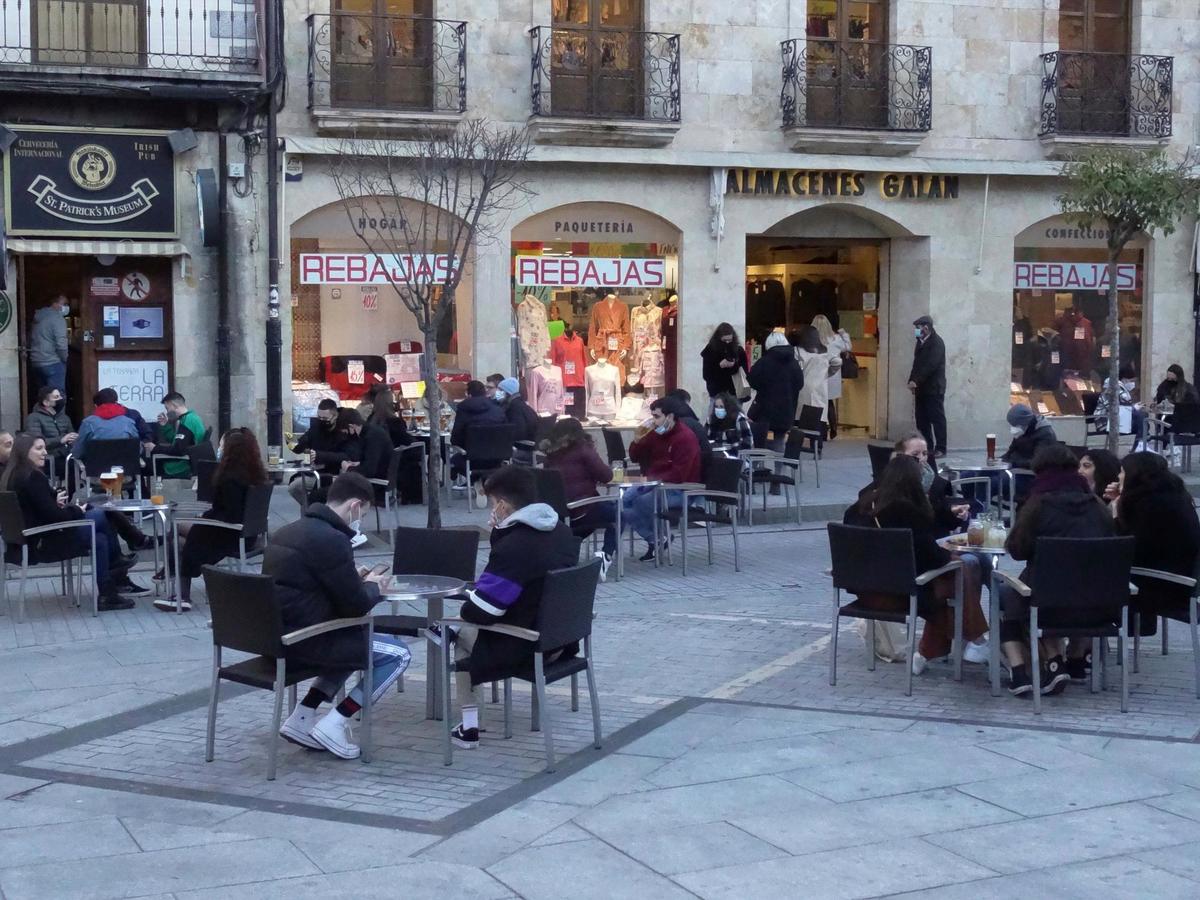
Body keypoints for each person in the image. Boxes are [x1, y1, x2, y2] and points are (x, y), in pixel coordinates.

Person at [271, 473, 411, 759]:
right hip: (309, 640)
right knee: (398, 654)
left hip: (278, 636)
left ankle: (303, 715)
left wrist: (354, 578)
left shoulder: (288, 531)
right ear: (355, 506)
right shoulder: (332, 540)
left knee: (356, 642)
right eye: (364, 513)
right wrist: (374, 586)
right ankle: (336, 721)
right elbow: (356, 606)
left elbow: (308, 585)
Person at [447, 465, 578, 749]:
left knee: (458, 633)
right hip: (561, 639)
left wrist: (461, 615)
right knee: (458, 627)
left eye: (493, 504)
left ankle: (469, 727)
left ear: (503, 505)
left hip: (526, 643)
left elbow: (484, 611)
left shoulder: (516, 546)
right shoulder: (562, 533)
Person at [844, 455, 988, 673]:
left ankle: (929, 653)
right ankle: (977, 639)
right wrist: (946, 551)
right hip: (900, 595)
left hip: (865, 592)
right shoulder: (909, 512)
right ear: (913, 482)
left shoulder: (858, 508)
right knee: (961, 570)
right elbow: (931, 559)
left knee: (954, 575)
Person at [1002, 443, 1114, 696]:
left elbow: (1017, 550)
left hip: (1048, 604)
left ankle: (1021, 671)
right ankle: (1070, 661)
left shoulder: (1038, 505)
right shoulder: (1098, 507)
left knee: (1010, 595)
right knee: (1066, 583)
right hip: (1099, 604)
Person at [0, 434, 137, 610]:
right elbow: (54, 517)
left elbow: (35, 508)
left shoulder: (11, 476)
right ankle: (127, 550)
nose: (44, 453)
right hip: (42, 541)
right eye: (39, 448)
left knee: (100, 529)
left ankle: (109, 590)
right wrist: (75, 510)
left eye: (44, 448)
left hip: (26, 540)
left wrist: (54, 502)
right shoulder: (33, 477)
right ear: (25, 451)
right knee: (100, 514)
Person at [154, 428, 270, 613]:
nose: (219, 448)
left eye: (222, 445)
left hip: (228, 534)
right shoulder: (257, 474)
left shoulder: (230, 478)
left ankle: (176, 586)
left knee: (177, 532)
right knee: (180, 538)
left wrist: (206, 517)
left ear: (231, 450)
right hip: (248, 534)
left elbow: (229, 514)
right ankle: (178, 589)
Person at [1112, 452, 1200, 645]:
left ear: (1134, 475)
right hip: (1180, 582)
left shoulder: (1149, 505)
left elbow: (1127, 548)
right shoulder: (1174, 497)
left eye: (1122, 472)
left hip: (1163, 587)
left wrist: (1115, 509)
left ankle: (1084, 646)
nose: (1118, 477)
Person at [626, 397, 701, 561]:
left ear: (670, 416)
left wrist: (651, 481)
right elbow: (634, 457)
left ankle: (659, 537)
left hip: (679, 490)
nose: (654, 421)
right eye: (652, 416)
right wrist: (637, 441)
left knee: (640, 501)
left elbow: (679, 474)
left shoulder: (685, 438)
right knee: (623, 503)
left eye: (657, 417)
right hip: (656, 484)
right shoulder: (657, 433)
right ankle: (658, 538)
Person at [542, 418, 616, 579]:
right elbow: (606, 476)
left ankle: (568, 554)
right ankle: (605, 556)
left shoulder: (550, 455)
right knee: (619, 514)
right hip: (583, 508)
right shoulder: (583, 449)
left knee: (593, 518)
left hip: (561, 513)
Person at [290, 400, 361, 509]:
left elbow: (348, 456)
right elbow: (303, 442)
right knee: (295, 487)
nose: (322, 421)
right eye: (319, 418)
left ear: (335, 416)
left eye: (325, 419)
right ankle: (311, 513)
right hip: (317, 472)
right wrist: (294, 444)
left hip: (336, 473)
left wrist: (319, 455)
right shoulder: (316, 427)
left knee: (301, 487)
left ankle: (315, 512)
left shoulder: (344, 429)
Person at [450, 380, 508, 507]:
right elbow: (505, 431)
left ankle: (477, 479)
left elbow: (455, 438)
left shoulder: (463, 408)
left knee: (454, 460)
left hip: (472, 458)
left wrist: (460, 444)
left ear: (469, 394)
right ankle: (484, 480)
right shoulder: (498, 409)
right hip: (497, 458)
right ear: (484, 393)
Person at [748, 331, 804, 453]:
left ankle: (758, 468)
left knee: (759, 441)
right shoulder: (793, 362)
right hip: (786, 408)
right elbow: (800, 383)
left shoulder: (764, 362)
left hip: (765, 408)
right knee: (780, 438)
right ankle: (780, 469)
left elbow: (752, 380)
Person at [367, 389, 422, 503]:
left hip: (375, 461)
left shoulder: (370, 420)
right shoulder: (394, 422)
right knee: (416, 455)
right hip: (393, 462)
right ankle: (414, 496)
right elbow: (407, 440)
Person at [908, 315, 947, 458]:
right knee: (922, 420)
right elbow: (916, 364)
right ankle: (927, 447)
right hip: (921, 389)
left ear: (926, 327)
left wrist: (916, 380)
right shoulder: (920, 342)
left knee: (937, 418)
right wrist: (912, 380)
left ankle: (941, 448)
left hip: (934, 388)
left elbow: (931, 365)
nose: (916, 331)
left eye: (918, 328)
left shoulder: (937, 343)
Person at [792, 325, 841, 437]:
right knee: (819, 415)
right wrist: (828, 373)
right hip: (820, 388)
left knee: (801, 417)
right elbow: (837, 362)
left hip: (803, 387)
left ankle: (799, 443)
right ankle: (818, 445)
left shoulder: (798, 351)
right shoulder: (824, 352)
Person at [145, 392, 206, 478]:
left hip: (183, 465)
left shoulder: (188, 421)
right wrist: (165, 426)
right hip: (189, 460)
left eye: (167, 408)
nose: (167, 412)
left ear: (174, 405)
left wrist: (154, 448)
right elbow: (178, 441)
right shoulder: (191, 417)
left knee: (144, 466)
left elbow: (178, 450)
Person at [73, 389, 141, 463]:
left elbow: (78, 453)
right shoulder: (128, 422)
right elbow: (138, 449)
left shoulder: (88, 422)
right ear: (116, 403)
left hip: (95, 471)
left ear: (96, 406)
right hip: (124, 470)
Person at [812, 314, 852, 439]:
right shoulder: (835, 339)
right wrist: (843, 333)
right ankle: (833, 428)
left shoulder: (812, 340)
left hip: (816, 374)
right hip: (833, 374)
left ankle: (821, 430)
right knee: (829, 402)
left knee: (818, 403)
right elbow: (848, 347)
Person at [25, 385, 77, 467]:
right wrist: (61, 440)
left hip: (67, 456)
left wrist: (74, 438)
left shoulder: (65, 418)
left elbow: (71, 434)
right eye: (56, 397)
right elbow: (35, 442)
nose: (60, 399)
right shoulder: (34, 418)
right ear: (46, 402)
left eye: (60, 396)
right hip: (47, 458)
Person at [28, 294, 70, 395]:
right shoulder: (57, 318)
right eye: (64, 304)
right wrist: (65, 358)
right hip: (52, 362)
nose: (67, 307)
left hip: (36, 361)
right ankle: (57, 412)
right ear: (55, 304)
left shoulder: (38, 318)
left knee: (43, 396)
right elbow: (61, 343)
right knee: (57, 397)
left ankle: (42, 411)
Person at [1093, 363, 1145, 442]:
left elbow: (1122, 406)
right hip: (1106, 423)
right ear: (1124, 379)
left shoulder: (1116, 387)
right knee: (1142, 420)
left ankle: (1140, 444)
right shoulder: (1117, 389)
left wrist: (1134, 408)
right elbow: (1119, 409)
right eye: (1132, 381)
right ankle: (1140, 444)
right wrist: (1134, 408)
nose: (1134, 384)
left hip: (1110, 420)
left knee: (1142, 420)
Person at [700, 323, 749, 404]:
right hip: (717, 393)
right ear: (718, 338)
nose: (727, 343)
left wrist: (734, 365)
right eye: (724, 340)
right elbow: (706, 375)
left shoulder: (738, 350)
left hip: (735, 392)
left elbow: (744, 372)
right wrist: (719, 366)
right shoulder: (710, 350)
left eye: (730, 340)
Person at [1001, 403, 1058, 469]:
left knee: (996, 479)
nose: (1013, 428)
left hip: (1029, 473)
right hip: (1015, 468)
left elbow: (1038, 462)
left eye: (1015, 425)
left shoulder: (1046, 435)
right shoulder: (1024, 430)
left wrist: (1012, 463)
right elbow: (1011, 452)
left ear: (1025, 423)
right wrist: (1000, 460)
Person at [497, 377, 539, 445]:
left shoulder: (514, 408)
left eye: (500, 390)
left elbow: (518, 433)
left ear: (507, 392)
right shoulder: (521, 405)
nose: (497, 393)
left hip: (521, 447)